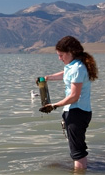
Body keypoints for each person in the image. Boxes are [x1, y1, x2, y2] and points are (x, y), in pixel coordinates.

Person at [38, 36, 98, 170]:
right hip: (73, 111)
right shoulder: (72, 66)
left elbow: (74, 96)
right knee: (76, 149)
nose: (59, 58)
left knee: (78, 152)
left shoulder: (78, 68)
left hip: (78, 112)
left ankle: (80, 171)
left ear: (70, 52)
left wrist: (54, 105)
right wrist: (47, 78)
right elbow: (65, 73)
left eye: (61, 55)